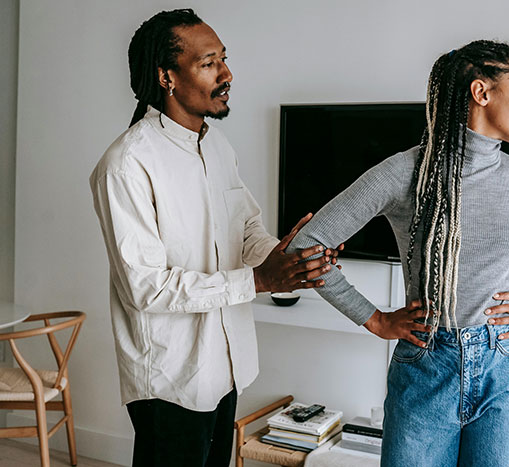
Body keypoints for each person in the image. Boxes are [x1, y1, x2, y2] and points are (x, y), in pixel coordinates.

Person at [287, 40, 509, 466]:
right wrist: (373, 319)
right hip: (425, 365)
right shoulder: (405, 171)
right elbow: (307, 244)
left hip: (506, 370)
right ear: (482, 93)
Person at [89, 9, 340, 467]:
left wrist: (291, 255)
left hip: (227, 368)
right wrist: (260, 281)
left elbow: (245, 231)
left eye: (224, 59)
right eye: (209, 63)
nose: (227, 74)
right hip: (171, 380)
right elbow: (146, 287)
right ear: (167, 77)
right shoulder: (126, 165)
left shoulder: (218, 147)